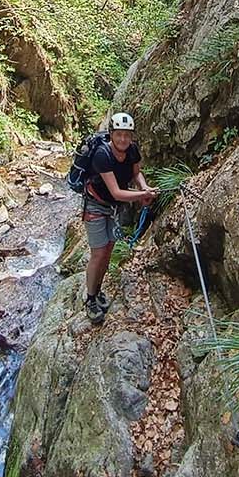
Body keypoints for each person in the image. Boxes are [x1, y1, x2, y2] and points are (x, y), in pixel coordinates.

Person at [82, 111, 155, 324]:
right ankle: (90, 299)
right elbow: (116, 192)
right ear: (112, 134)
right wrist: (142, 195)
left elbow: (136, 173)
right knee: (98, 254)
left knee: (107, 252)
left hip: (114, 208)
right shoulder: (102, 155)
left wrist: (144, 187)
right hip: (96, 206)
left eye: (127, 135)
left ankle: (97, 289)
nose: (123, 139)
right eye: (119, 134)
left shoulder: (132, 150)